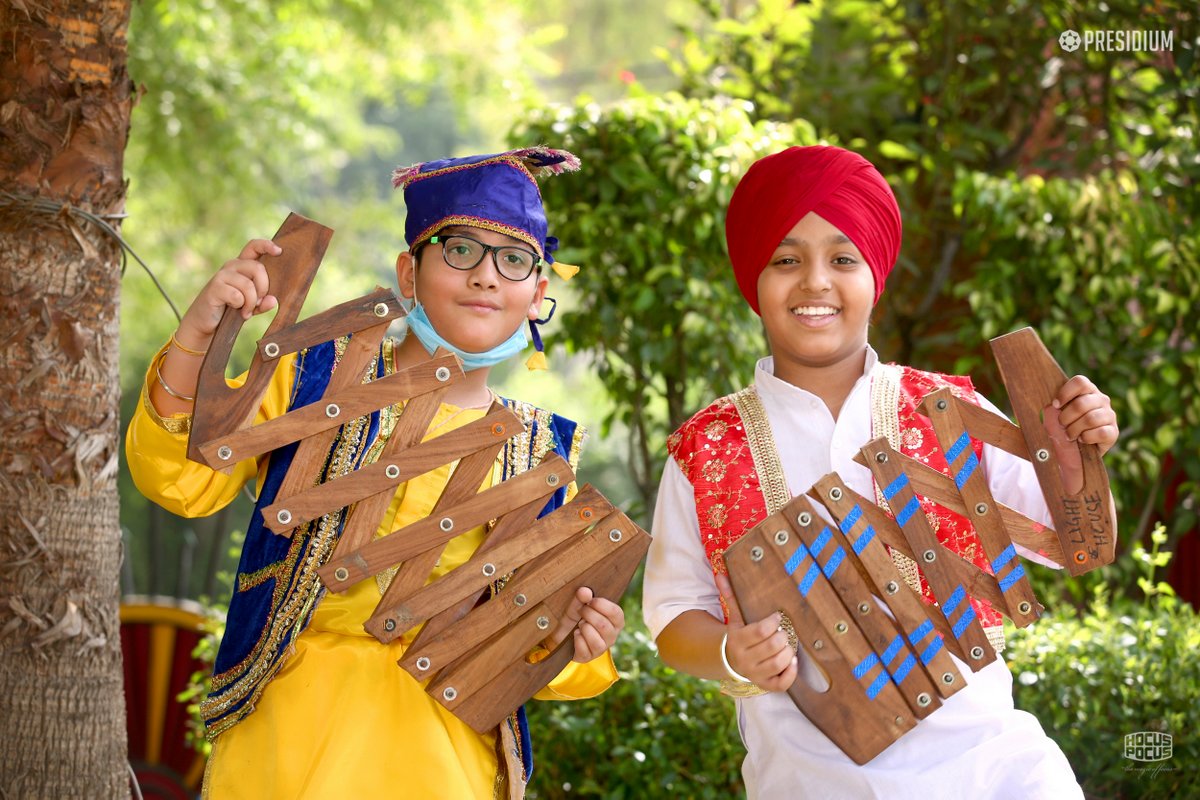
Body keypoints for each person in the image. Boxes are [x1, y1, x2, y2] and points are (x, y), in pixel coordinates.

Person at [126, 147, 625, 799]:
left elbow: (532, 649)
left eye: (514, 260)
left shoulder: (544, 452)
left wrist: (578, 638)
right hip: (291, 742)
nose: (486, 277)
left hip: (447, 761)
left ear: (538, 295)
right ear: (408, 273)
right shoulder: (313, 377)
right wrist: (197, 335)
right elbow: (181, 483)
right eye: (460, 250)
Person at [643, 145, 1119, 799]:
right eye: (786, 259)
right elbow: (673, 614)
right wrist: (729, 652)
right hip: (806, 782)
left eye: (843, 259)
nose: (815, 282)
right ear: (752, 277)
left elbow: (1071, 545)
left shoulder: (947, 410)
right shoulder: (707, 447)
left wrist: (1074, 461)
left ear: (876, 275)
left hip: (993, 770)